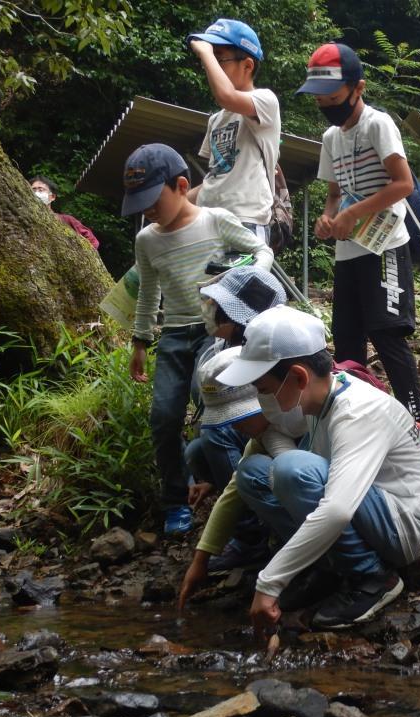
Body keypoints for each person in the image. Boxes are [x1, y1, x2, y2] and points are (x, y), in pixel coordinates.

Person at [215, 305, 420, 630]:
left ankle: (372, 579)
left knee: (292, 469)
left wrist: (269, 583)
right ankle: (327, 567)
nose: (260, 398)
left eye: (262, 389)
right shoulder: (315, 399)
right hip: (362, 511)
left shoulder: (358, 411)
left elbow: (336, 510)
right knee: (253, 473)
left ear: (298, 376)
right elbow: (274, 447)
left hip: (400, 525)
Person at [122, 143, 274, 536]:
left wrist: (245, 280)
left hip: (214, 333)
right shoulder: (147, 240)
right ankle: (176, 499)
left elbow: (260, 249)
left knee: (209, 403)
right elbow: (148, 291)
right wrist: (139, 340)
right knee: (163, 418)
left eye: (152, 199)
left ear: (181, 185)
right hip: (173, 336)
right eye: (139, 203)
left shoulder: (215, 220)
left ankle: (240, 499)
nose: (147, 210)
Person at [296, 42, 420, 446]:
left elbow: (403, 184)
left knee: (388, 332)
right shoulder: (330, 137)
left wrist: (355, 214)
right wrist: (328, 219)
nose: (326, 105)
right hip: (348, 251)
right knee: (347, 339)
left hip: (386, 244)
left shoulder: (377, 124)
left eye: (333, 98)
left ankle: (418, 423)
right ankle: (360, 422)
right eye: (320, 99)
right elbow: (335, 194)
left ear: (358, 88)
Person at [186, 266, 288, 572]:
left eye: (217, 306)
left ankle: (252, 536)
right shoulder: (221, 346)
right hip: (256, 434)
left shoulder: (262, 349)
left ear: (237, 315)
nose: (209, 311)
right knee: (195, 452)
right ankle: (250, 521)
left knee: (214, 437)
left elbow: (268, 422)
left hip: (276, 431)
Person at [187, 18, 281, 243]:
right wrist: (176, 200)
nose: (210, 66)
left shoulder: (265, 101)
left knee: (240, 280)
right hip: (207, 222)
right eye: (211, 59)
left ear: (247, 65)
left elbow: (226, 97)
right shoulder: (216, 120)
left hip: (245, 221)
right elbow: (219, 175)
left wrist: (205, 52)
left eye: (220, 59)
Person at [29, 175, 99, 249]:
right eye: (33, 190)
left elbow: (93, 241)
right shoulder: (25, 217)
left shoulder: (66, 220)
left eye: (41, 190)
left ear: (52, 197)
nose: (36, 193)